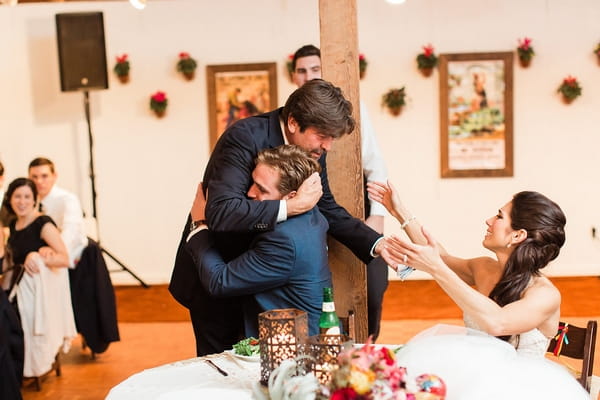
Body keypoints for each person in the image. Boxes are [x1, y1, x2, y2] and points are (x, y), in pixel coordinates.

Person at [170, 79, 383, 356]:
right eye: (323, 135)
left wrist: (375, 243)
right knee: (220, 372)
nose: (328, 146)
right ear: (293, 123)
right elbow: (221, 212)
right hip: (215, 270)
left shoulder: (313, 148)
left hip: (259, 280)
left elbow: (325, 205)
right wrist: (289, 208)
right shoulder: (244, 137)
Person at [368, 184, 588, 399]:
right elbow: (442, 259)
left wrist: (435, 267)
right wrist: (398, 210)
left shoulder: (544, 294)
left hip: (521, 390)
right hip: (472, 376)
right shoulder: (484, 268)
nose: (489, 221)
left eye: (499, 216)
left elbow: (497, 322)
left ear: (518, 235)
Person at [291, 44, 389, 339]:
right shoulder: (292, 118)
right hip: (308, 214)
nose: (308, 76)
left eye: (315, 70)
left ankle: (367, 346)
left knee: (371, 288)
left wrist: (379, 216)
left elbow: (375, 165)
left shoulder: (352, 108)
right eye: (302, 71)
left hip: (352, 212)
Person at [185, 145, 331, 336]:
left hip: (294, 350)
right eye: (252, 182)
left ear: (292, 197)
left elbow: (219, 281)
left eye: (261, 189)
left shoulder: (284, 241)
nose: (250, 193)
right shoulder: (311, 215)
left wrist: (200, 225)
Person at [0, 178, 77, 378]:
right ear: (10, 199)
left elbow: (64, 258)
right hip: (16, 289)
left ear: (35, 199)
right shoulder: (12, 224)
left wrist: (40, 256)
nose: (22, 201)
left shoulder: (43, 223)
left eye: (27, 197)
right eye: (17, 196)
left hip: (33, 297)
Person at [28, 157, 88, 268]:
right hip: (47, 258)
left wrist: (55, 250)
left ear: (54, 176)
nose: (39, 181)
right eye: (34, 177)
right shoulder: (29, 203)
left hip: (76, 259)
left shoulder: (68, 199)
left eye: (44, 176)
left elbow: (71, 232)